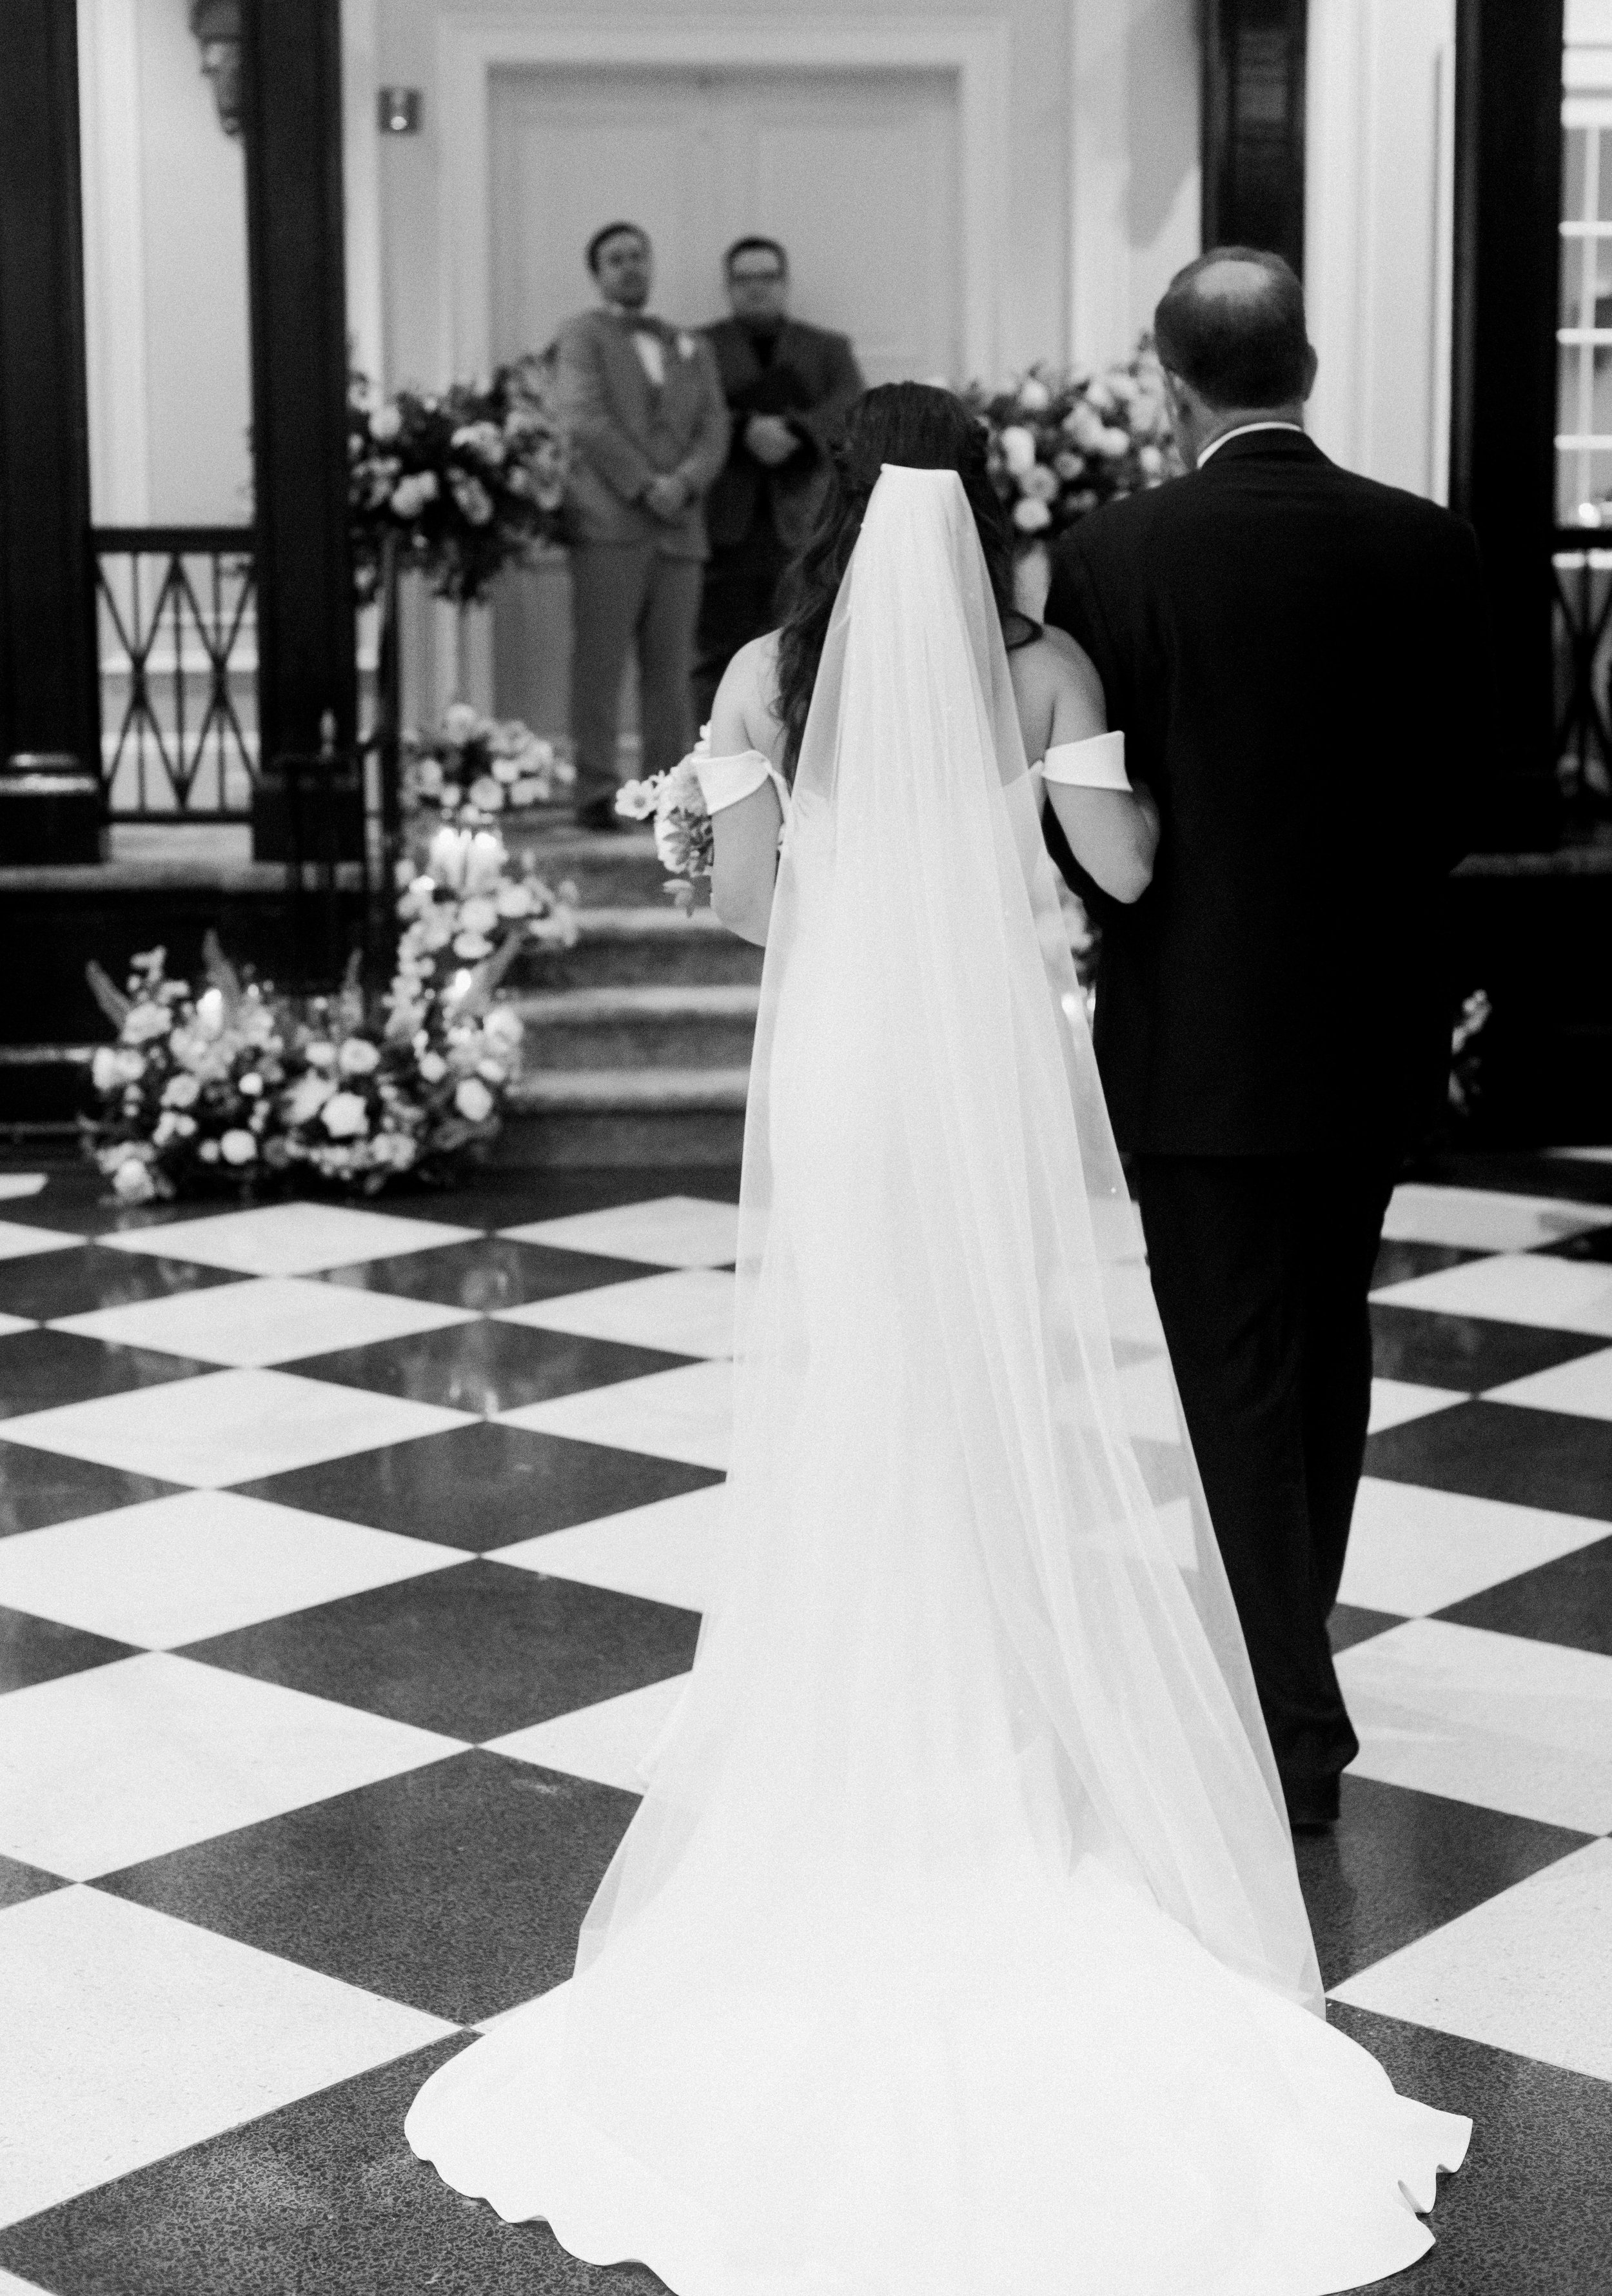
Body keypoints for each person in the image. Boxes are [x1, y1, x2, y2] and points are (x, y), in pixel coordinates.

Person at [407, 384, 1468, 2291]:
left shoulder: (756, 671)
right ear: (980, 506)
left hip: (835, 1075)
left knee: (851, 1396)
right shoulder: (1041, 664)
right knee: (981, 1388)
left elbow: (745, 906)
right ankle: (982, 1743)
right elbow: (1124, 872)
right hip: (979, 1080)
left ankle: (846, 1738)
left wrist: (739, 839)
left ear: (823, 501)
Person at [1042, 247, 1490, 1830]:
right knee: (1326, 1344)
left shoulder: (1110, 553)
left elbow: (1090, 813)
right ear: (1310, 361)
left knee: (1236, 1365)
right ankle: (1285, 1672)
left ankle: (1289, 1722)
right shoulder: (1429, 546)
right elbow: (1478, 794)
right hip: (1373, 1018)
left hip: (1195, 1030)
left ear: (1172, 385)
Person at [552, 222, 729, 828]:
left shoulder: (690, 345)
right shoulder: (581, 335)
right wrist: (645, 484)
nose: (630, 267)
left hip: (681, 529)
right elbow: (583, 419)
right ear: (597, 273)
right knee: (599, 666)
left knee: (671, 671)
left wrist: (683, 483)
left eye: (638, 257)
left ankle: (665, 792)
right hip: (609, 524)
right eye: (615, 259)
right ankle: (595, 791)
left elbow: (714, 427)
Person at [692, 236, 864, 722]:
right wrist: (745, 429)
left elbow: (852, 411)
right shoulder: (697, 346)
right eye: (744, 279)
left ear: (785, 283)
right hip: (723, 529)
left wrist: (793, 430)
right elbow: (682, 417)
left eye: (767, 277)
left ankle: (798, 769)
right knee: (715, 658)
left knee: (804, 654)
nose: (757, 289)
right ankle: (710, 767)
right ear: (728, 287)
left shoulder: (829, 348)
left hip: (805, 528)